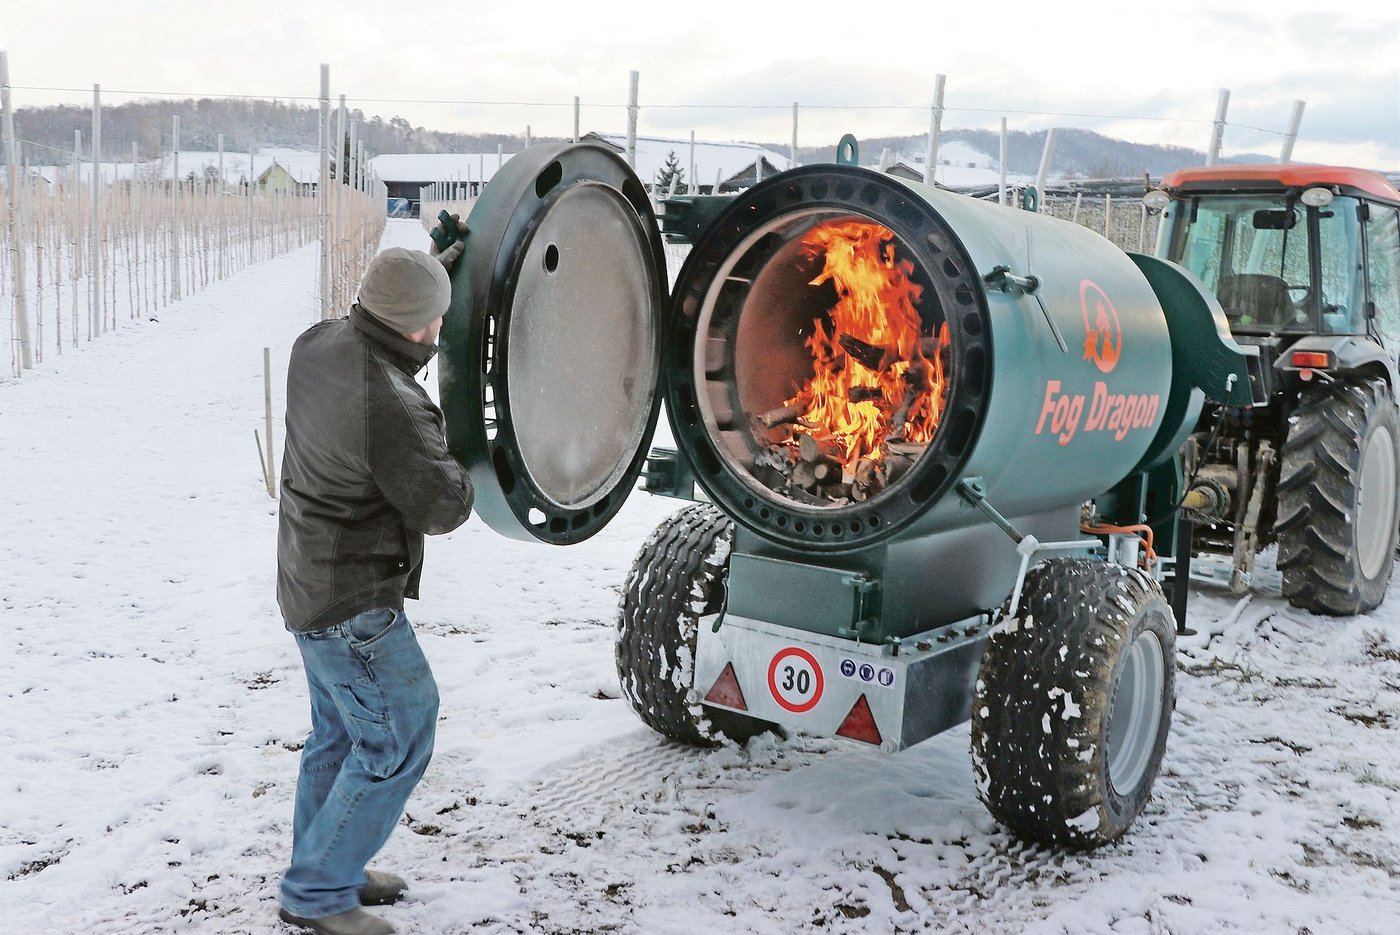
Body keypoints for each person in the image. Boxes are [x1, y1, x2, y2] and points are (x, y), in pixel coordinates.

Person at [275, 217, 472, 935]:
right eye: (437, 320)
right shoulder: (391, 402)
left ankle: (329, 861)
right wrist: (467, 455)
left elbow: (396, 309)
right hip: (353, 605)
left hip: (304, 578)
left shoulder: (318, 343)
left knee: (339, 733)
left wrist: (431, 271)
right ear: (420, 330)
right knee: (400, 732)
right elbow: (443, 505)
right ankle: (319, 889)